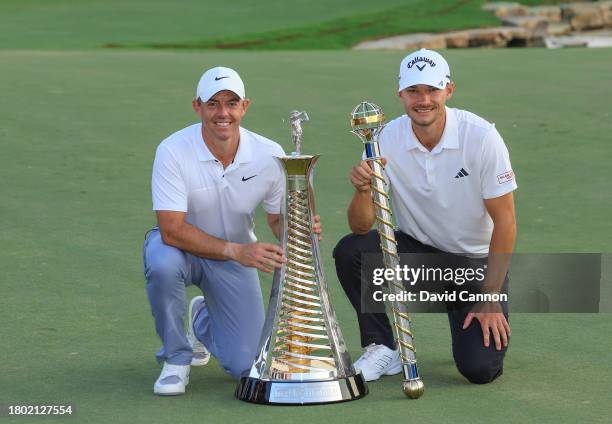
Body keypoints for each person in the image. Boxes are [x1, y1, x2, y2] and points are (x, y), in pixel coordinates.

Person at [334, 49, 517, 384]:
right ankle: (382, 347)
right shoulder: (384, 138)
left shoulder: (481, 137)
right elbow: (360, 226)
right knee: (352, 250)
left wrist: (490, 294)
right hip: (417, 255)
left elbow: (505, 222)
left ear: (448, 90)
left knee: (479, 369)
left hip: (473, 267)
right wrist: (363, 190)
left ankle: (466, 307)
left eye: (432, 90)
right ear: (401, 95)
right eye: (414, 91)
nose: (424, 100)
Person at [143, 66, 321, 396]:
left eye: (231, 103)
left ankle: (202, 319)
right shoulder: (172, 150)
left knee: (246, 365)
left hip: (234, 258)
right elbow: (171, 229)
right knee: (162, 264)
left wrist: (298, 227)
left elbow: (275, 220)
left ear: (245, 107)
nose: (222, 113)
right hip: (181, 249)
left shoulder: (269, 154)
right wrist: (238, 251)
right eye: (213, 104)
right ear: (198, 106)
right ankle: (176, 358)